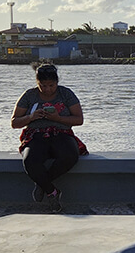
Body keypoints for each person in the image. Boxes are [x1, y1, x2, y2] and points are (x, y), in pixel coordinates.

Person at [10, 63, 86, 211]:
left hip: (61, 134)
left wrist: (57, 118)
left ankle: (42, 184)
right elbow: (14, 123)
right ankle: (52, 192)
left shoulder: (66, 94)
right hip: (36, 135)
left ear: (57, 82)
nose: (47, 89)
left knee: (70, 156)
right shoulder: (29, 95)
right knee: (30, 161)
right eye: (43, 86)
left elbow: (79, 119)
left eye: (51, 85)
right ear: (37, 83)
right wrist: (31, 117)